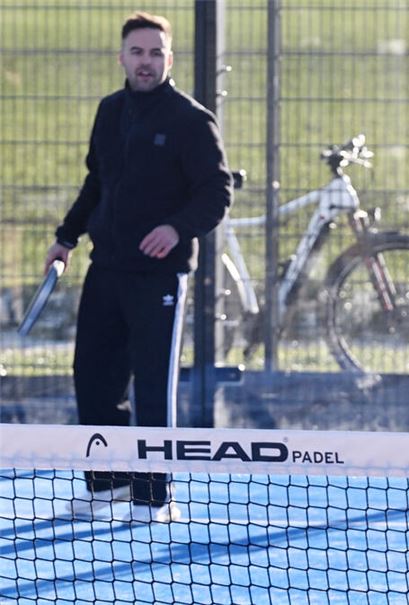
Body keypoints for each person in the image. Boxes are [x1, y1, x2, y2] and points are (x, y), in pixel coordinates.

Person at [44, 12, 232, 523]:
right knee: (94, 380)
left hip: (160, 278)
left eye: (155, 53)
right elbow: (95, 184)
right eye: (137, 52)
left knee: (152, 386)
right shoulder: (110, 112)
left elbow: (217, 192)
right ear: (122, 57)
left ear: (168, 60)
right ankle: (106, 487)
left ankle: (154, 496)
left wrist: (175, 229)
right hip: (105, 270)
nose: (145, 62)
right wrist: (66, 237)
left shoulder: (191, 120)